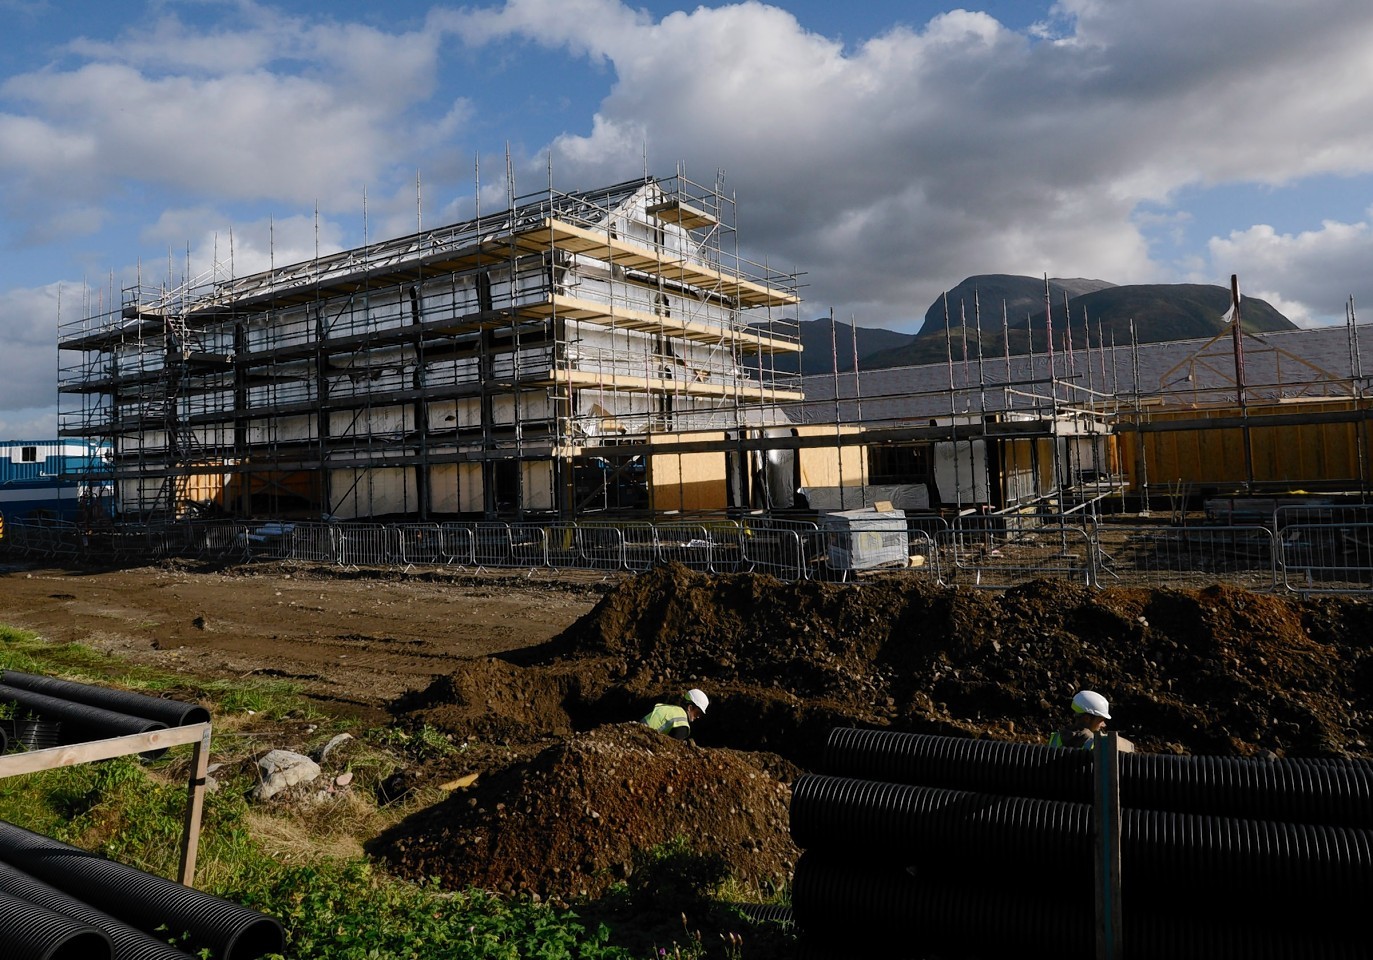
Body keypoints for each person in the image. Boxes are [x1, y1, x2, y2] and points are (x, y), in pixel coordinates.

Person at [1048, 689, 1135, 752]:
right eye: (1101, 720)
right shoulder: (1099, 745)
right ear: (1087, 719)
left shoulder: (1055, 738)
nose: (1104, 725)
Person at [641, 688, 709, 740]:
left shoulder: (669, 708)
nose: (698, 717)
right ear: (690, 708)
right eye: (698, 713)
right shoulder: (682, 724)